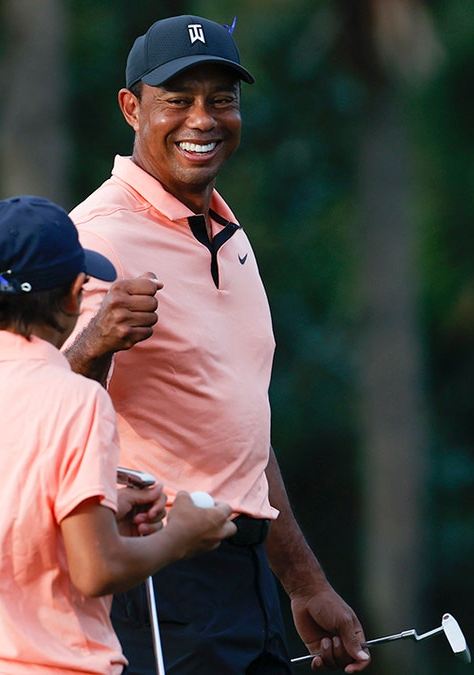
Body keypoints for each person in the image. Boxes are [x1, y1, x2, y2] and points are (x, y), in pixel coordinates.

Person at [63, 14, 373, 674]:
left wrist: (305, 582)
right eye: (177, 99)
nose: (202, 119)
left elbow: (240, 435)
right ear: (131, 107)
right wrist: (94, 344)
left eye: (221, 100)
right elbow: (36, 407)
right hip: (159, 581)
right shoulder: (97, 237)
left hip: (246, 575)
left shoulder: (229, 236)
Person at [0, 195, 237, 675]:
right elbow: (97, 569)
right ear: (72, 295)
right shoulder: (75, 399)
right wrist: (182, 536)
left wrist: (103, 509)